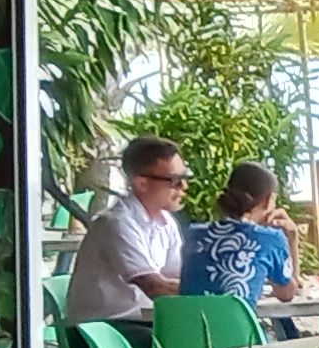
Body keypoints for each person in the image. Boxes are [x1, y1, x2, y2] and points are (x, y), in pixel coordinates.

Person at [62, 135, 189, 327]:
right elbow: (154, 287)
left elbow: (177, 276)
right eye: (175, 180)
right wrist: (218, 292)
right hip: (102, 330)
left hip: (139, 322)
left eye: (185, 178)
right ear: (142, 183)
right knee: (192, 345)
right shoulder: (116, 224)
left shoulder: (166, 223)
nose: (183, 187)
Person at [177, 160, 296, 306]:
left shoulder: (194, 233)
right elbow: (286, 294)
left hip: (188, 327)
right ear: (269, 199)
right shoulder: (270, 238)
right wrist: (292, 238)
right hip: (236, 328)